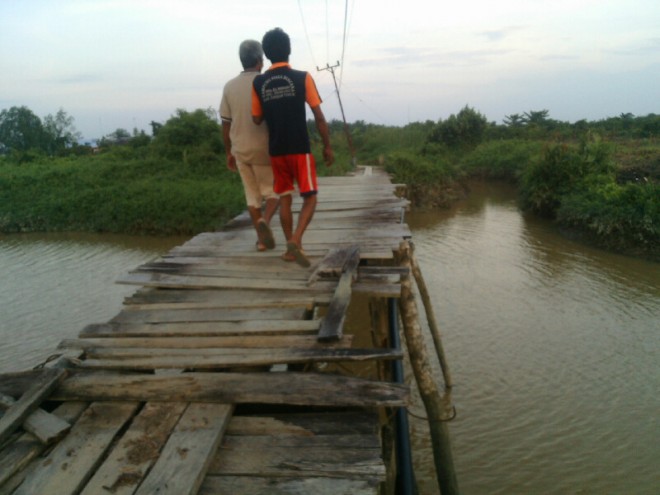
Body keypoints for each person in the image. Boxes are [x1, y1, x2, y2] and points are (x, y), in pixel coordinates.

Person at [252, 27, 334, 268]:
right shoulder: (302, 77)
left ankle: (289, 248)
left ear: (266, 54)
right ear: (289, 50)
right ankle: (296, 241)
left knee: (285, 198)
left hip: (276, 150)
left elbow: (256, 118)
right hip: (300, 148)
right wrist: (327, 147)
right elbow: (318, 116)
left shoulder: (259, 83)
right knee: (310, 197)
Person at [220, 39, 279, 252]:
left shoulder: (229, 86)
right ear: (258, 61)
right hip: (265, 148)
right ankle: (265, 220)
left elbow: (225, 124)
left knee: (252, 196)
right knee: (274, 194)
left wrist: (228, 152)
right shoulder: (266, 82)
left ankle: (262, 241)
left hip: (240, 150)